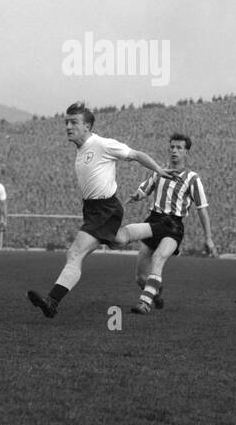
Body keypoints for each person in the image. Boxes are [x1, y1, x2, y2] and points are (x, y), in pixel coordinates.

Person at [27, 103, 173, 319]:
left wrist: (158, 169)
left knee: (75, 253)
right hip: (94, 209)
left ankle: (52, 301)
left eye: (74, 122)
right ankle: (161, 227)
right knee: (118, 239)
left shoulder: (101, 144)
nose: (68, 126)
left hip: (105, 208)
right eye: (66, 122)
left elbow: (135, 154)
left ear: (87, 126)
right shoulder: (81, 149)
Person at [125, 133, 217, 314]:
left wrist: (209, 238)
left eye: (179, 148)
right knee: (140, 278)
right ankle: (155, 294)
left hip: (173, 226)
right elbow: (145, 188)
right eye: (172, 147)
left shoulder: (192, 178)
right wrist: (138, 195)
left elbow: (202, 209)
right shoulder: (159, 171)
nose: (174, 151)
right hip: (153, 221)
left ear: (186, 152)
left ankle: (144, 304)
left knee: (158, 258)